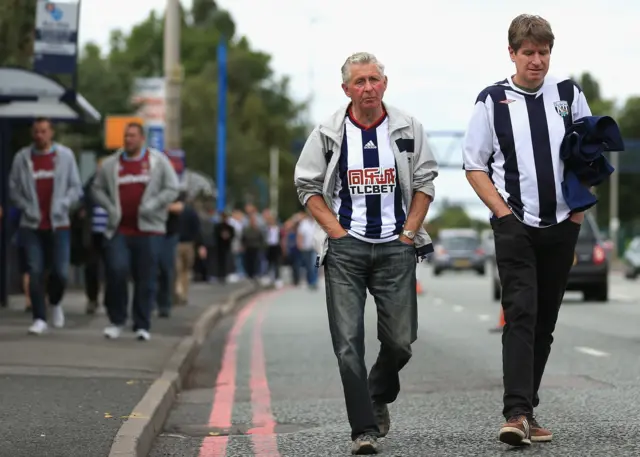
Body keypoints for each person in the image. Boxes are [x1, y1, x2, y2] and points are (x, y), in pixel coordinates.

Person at [294, 52, 438, 454]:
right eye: (359, 81)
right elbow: (306, 186)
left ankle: (376, 392)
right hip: (347, 250)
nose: (368, 87)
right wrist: (337, 234)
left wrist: (409, 233)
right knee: (347, 344)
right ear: (346, 90)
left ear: (385, 84)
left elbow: (425, 181)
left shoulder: (408, 128)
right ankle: (364, 429)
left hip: (396, 246)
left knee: (401, 342)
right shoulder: (327, 132)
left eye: (374, 79)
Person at [462, 14, 593, 447]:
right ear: (512, 53)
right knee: (522, 313)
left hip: (562, 224)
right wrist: (502, 214)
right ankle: (516, 413)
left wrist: (576, 217)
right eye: (528, 52)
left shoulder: (569, 94)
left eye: (543, 52)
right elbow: (474, 165)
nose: (537, 61)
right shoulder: (492, 100)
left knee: (545, 321)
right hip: (515, 224)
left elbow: (587, 158)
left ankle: (527, 409)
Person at [92, 122, 179, 341]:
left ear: (142, 139)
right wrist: (110, 208)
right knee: (116, 270)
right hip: (119, 229)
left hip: (149, 230)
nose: (128, 139)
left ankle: (142, 324)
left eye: (132, 136)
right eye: (126, 136)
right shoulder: (112, 164)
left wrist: (153, 205)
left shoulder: (157, 162)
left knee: (146, 278)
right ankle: (117, 320)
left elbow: (172, 188)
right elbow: (96, 189)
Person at [9, 117, 83, 335]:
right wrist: (25, 206)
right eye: (36, 132)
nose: (39, 136)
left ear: (51, 133)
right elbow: (13, 189)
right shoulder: (23, 158)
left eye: (43, 131)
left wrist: (65, 203)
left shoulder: (65, 156)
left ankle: (56, 303)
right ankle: (39, 318)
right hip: (31, 225)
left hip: (58, 224)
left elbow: (76, 188)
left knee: (60, 272)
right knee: (35, 270)